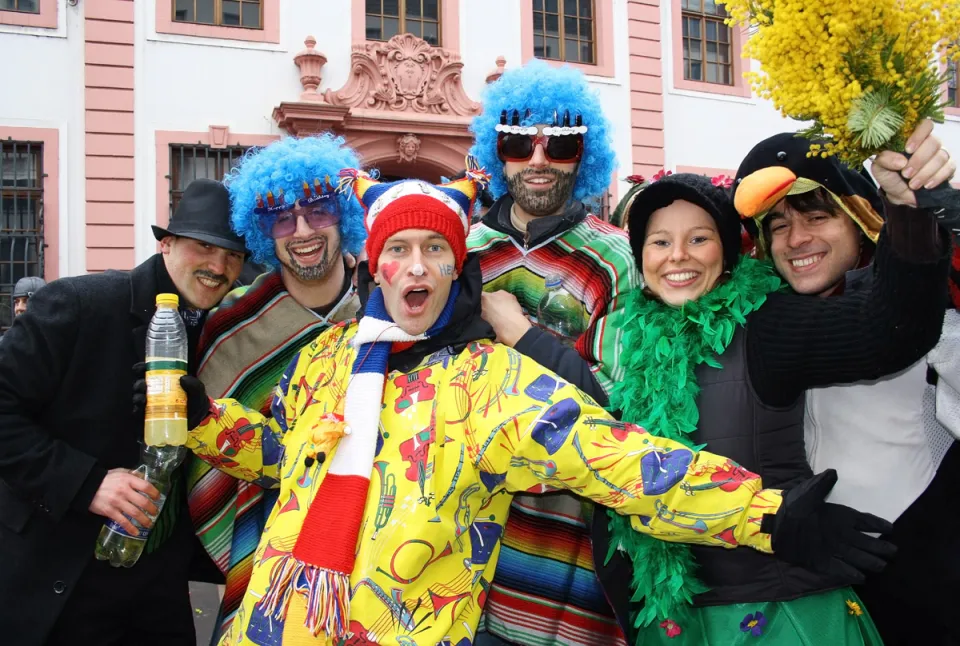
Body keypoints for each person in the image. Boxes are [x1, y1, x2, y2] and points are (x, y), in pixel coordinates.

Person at [172, 169, 894, 646]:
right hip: (269, 628)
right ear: (373, 266)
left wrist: (762, 513)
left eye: (434, 249)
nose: (416, 266)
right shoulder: (327, 360)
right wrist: (206, 418)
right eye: (399, 249)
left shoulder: (492, 382)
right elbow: (286, 458)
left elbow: (621, 461)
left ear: (460, 267)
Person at [594, 144, 950, 642]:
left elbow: (886, 331)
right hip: (682, 619)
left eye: (699, 238)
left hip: (782, 614)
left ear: (729, 251)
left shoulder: (764, 322)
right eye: (658, 242)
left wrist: (907, 211)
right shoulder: (633, 344)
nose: (677, 256)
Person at [732, 124, 960, 644]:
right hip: (812, 597)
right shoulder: (755, 322)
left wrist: (931, 220)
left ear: (860, 220)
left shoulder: (929, 308)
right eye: (778, 224)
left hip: (926, 589)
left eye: (818, 216)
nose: (797, 239)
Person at [0, 178, 245, 645]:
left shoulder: (223, 333)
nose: (219, 266)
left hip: (159, 589)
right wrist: (87, 482)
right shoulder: (79, 303)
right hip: (60, 578)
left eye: (233, 255)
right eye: (204, 246)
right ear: (167, 242)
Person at [467, 60, 639, 645]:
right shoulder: (462, 252)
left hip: (569, 549)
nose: (537, 159)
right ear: (499, 152)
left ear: (582, 155)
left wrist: (523, 337)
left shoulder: (617, 259)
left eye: (559, 144)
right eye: (519, 141)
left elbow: (614, 405)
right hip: (461, 550)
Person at [186, 134, 367, 642]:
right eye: (281, 218)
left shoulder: (384, 307)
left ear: (345, 213)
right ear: (263, 231)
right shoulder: (233, 323)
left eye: (319, 209)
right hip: (265, 539)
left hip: (372, 540)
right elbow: (204, 450)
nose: (302, 230)